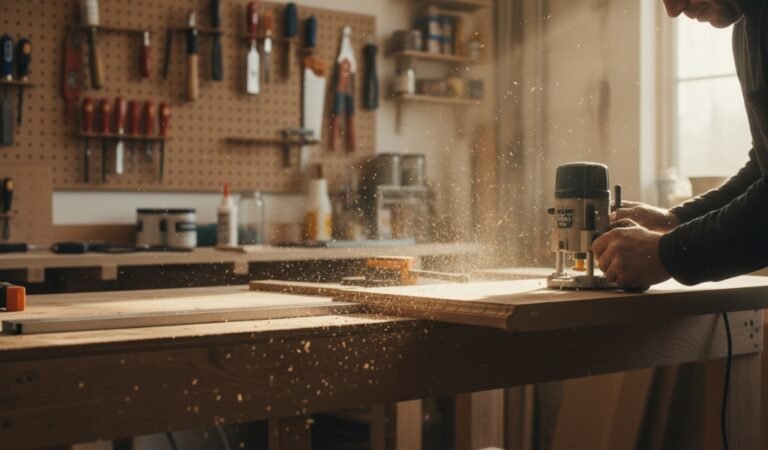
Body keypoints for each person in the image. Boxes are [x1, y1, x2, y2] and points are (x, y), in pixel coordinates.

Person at [592, 0, 768, 290]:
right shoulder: (747, 26)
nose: (672, 10)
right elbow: (760, 168)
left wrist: (666, 253)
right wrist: (672, 220)